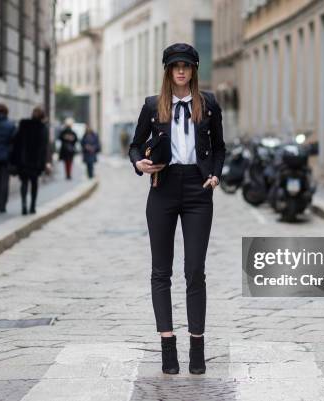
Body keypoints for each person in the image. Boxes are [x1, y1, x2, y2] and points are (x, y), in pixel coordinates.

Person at [128, 43, 225, 375]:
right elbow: (135, 145)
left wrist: (215, 174)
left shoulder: (209, 104)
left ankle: (197, 348)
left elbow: (220, 147)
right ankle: (168, 347)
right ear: (168, 71)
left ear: (194, 70)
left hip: (198, 190)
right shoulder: (153, 106)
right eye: (175, 66)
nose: (180, 70)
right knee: (161, 271)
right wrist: (139, 164)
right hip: (163, 189)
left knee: (195, 270)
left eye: (186, 65)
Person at [11, 106, 49, 215]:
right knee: (34, 184)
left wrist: (17, 158)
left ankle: (23, 205)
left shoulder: (24, 124)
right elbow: (44, 147)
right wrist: (44, 163)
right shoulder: (43, 128)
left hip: (23, 161)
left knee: (24, 183)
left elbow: (16, 141)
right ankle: (32, 206)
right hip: (35, 162)